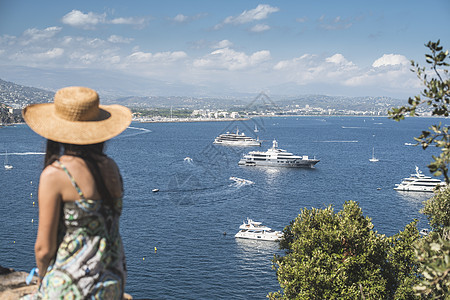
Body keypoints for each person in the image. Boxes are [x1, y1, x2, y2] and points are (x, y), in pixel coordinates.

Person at [21, 86, 131, 299]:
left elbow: (43, 249)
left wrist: (42, 279)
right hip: (112, 282)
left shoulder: (56, 174)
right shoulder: (111, 168)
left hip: (71, 285)